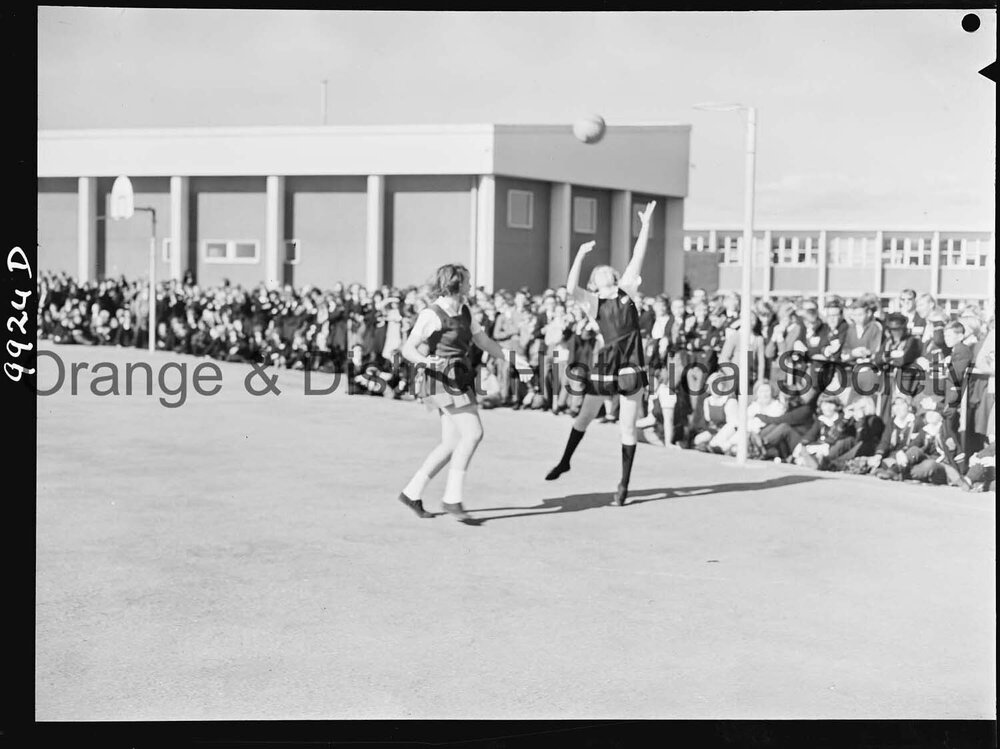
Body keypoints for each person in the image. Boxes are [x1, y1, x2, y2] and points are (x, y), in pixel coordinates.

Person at [397, 263, 530, 523]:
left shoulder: (466, 310)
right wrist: (425, 362)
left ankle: (411, 492)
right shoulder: (431, 314)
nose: (470, 285)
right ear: (455, 284)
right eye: (467, 281)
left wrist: (514, 358)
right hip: (441, 378)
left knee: (450, 443)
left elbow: (484, 342)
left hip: (459, 376)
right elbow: (408, 349)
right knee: (474, 433)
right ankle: (452, 498)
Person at [544, 201, 657, 506]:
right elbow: (569, 288)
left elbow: (638, 255)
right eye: (599, 272)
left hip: (632, 360)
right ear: (595, 282)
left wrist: (645, 226)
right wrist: (580, 254)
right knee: (585, 416)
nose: (605, 271)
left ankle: (623, 485)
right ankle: (565, 460)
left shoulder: (627, 291)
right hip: (607, 362)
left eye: (608, 270)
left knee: (628, 425)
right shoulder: (593, 302)